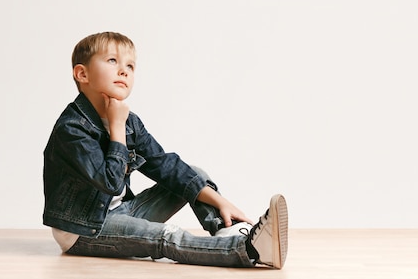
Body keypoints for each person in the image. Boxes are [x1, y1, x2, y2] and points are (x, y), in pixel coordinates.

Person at [42, 31, 288, 268]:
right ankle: (249, 250)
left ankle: (230, 230)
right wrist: (117, 129)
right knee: (166, 236)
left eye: (130, 66)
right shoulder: (72, 129)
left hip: (122, 212)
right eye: (112, 60)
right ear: (82, 74)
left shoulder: (129, 122)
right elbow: (110, 183)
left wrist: (219, 200)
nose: (123, 71)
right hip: (83, 228)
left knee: (193, 173)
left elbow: (163, 165)